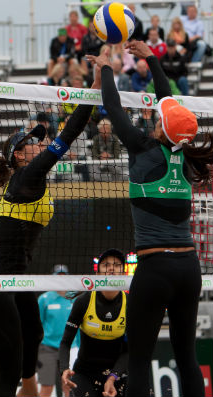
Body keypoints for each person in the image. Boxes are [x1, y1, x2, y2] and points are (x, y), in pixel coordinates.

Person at [87, 40, 208, 396]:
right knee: (187, 356)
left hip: (155, 269)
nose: (156, 116)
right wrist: (153, 59)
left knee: (139, 358)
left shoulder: (142, 148)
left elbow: (111, 103)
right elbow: (168, 100)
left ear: (160, 129)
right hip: (189, 268)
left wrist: (107, 65)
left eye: (159, 118)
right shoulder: (185, 157)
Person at [0, 71, 101, 397]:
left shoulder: (21, 186)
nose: (41, 141)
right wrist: (94, 87)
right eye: (34, 140)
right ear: (19, 154)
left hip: (16, 278)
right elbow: (69, 133)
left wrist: (0, 218)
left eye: (41, 138)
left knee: (34, 331)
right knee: (10, 365)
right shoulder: (28, 176)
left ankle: (28, 391)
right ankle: (22, 387)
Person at [59, 248, 128, 397]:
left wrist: (113, 377)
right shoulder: (83, 301)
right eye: (106, 265)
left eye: (116, 265)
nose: (111, 268)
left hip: (117, 374)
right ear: (97, 274)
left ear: (123, 274)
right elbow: (65, 342)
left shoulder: (130, 305)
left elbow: (130, 350)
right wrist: (64, 369)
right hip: (85, 373)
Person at [38, 264, 80, 397]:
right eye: (58, 277)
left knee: (68, 385)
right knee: (47, 387)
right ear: (53, 278)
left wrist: (79, 346)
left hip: (70, 348)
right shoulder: (44, 299)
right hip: (48, 348)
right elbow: (38, 325)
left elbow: (79, 325)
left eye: (63, 276)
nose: (61, 279)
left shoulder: (75, 299)